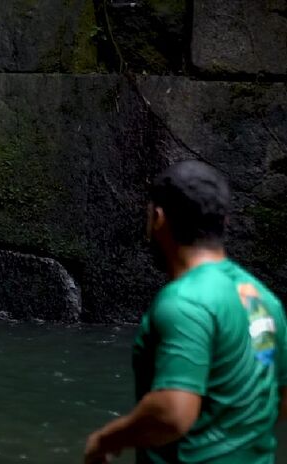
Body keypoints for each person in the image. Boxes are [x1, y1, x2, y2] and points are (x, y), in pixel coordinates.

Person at [83, 160, 287, 464]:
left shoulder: (184, 301)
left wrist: (106, 439)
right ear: (225, 222)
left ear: (158, 218)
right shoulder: (263, 300)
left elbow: (172, 414)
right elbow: (281, 401)